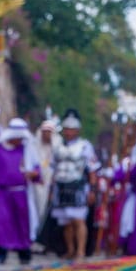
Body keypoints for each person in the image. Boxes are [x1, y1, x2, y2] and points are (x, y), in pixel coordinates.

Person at [0, 117, 38, 265]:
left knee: (21, 223)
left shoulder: (26, 150)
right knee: (1, 222)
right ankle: (0, 252)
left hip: (20, 192)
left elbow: (36, 169)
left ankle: (24, 252)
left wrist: (32, 174)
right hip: (1, 193)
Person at [50, 108, 98, 260]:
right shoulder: (58, 147)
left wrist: (92, 190)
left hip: (77, 186)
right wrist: (52, 189)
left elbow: (92, 170)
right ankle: (70, 249)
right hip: (61, 186)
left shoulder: (85, 146)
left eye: (72, 129)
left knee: (78, 220)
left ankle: (81, 250)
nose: (69, 132)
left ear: (77, 130)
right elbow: (53, 169)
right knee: (66, 222)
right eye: (66, 129)